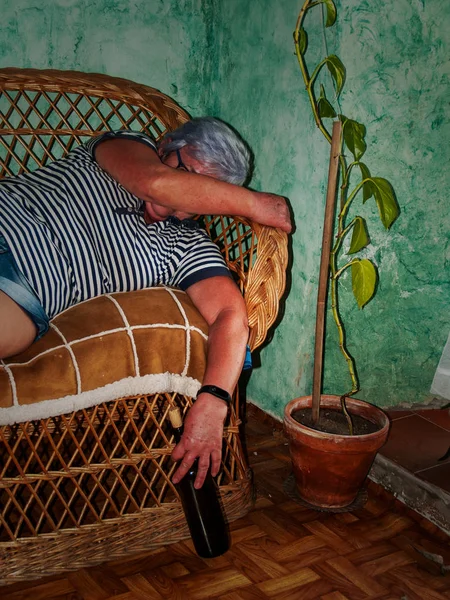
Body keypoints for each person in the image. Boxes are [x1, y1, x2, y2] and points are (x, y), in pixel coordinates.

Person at [0, 117, 291, 488]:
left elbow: (231, 315)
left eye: (201, 198)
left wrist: (214, 401)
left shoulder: (186, 245)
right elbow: (159, 184)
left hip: (17, 293)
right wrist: (255, 204)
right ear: (165, 145)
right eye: (188, 174)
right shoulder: (123, 149)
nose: (179, 210)